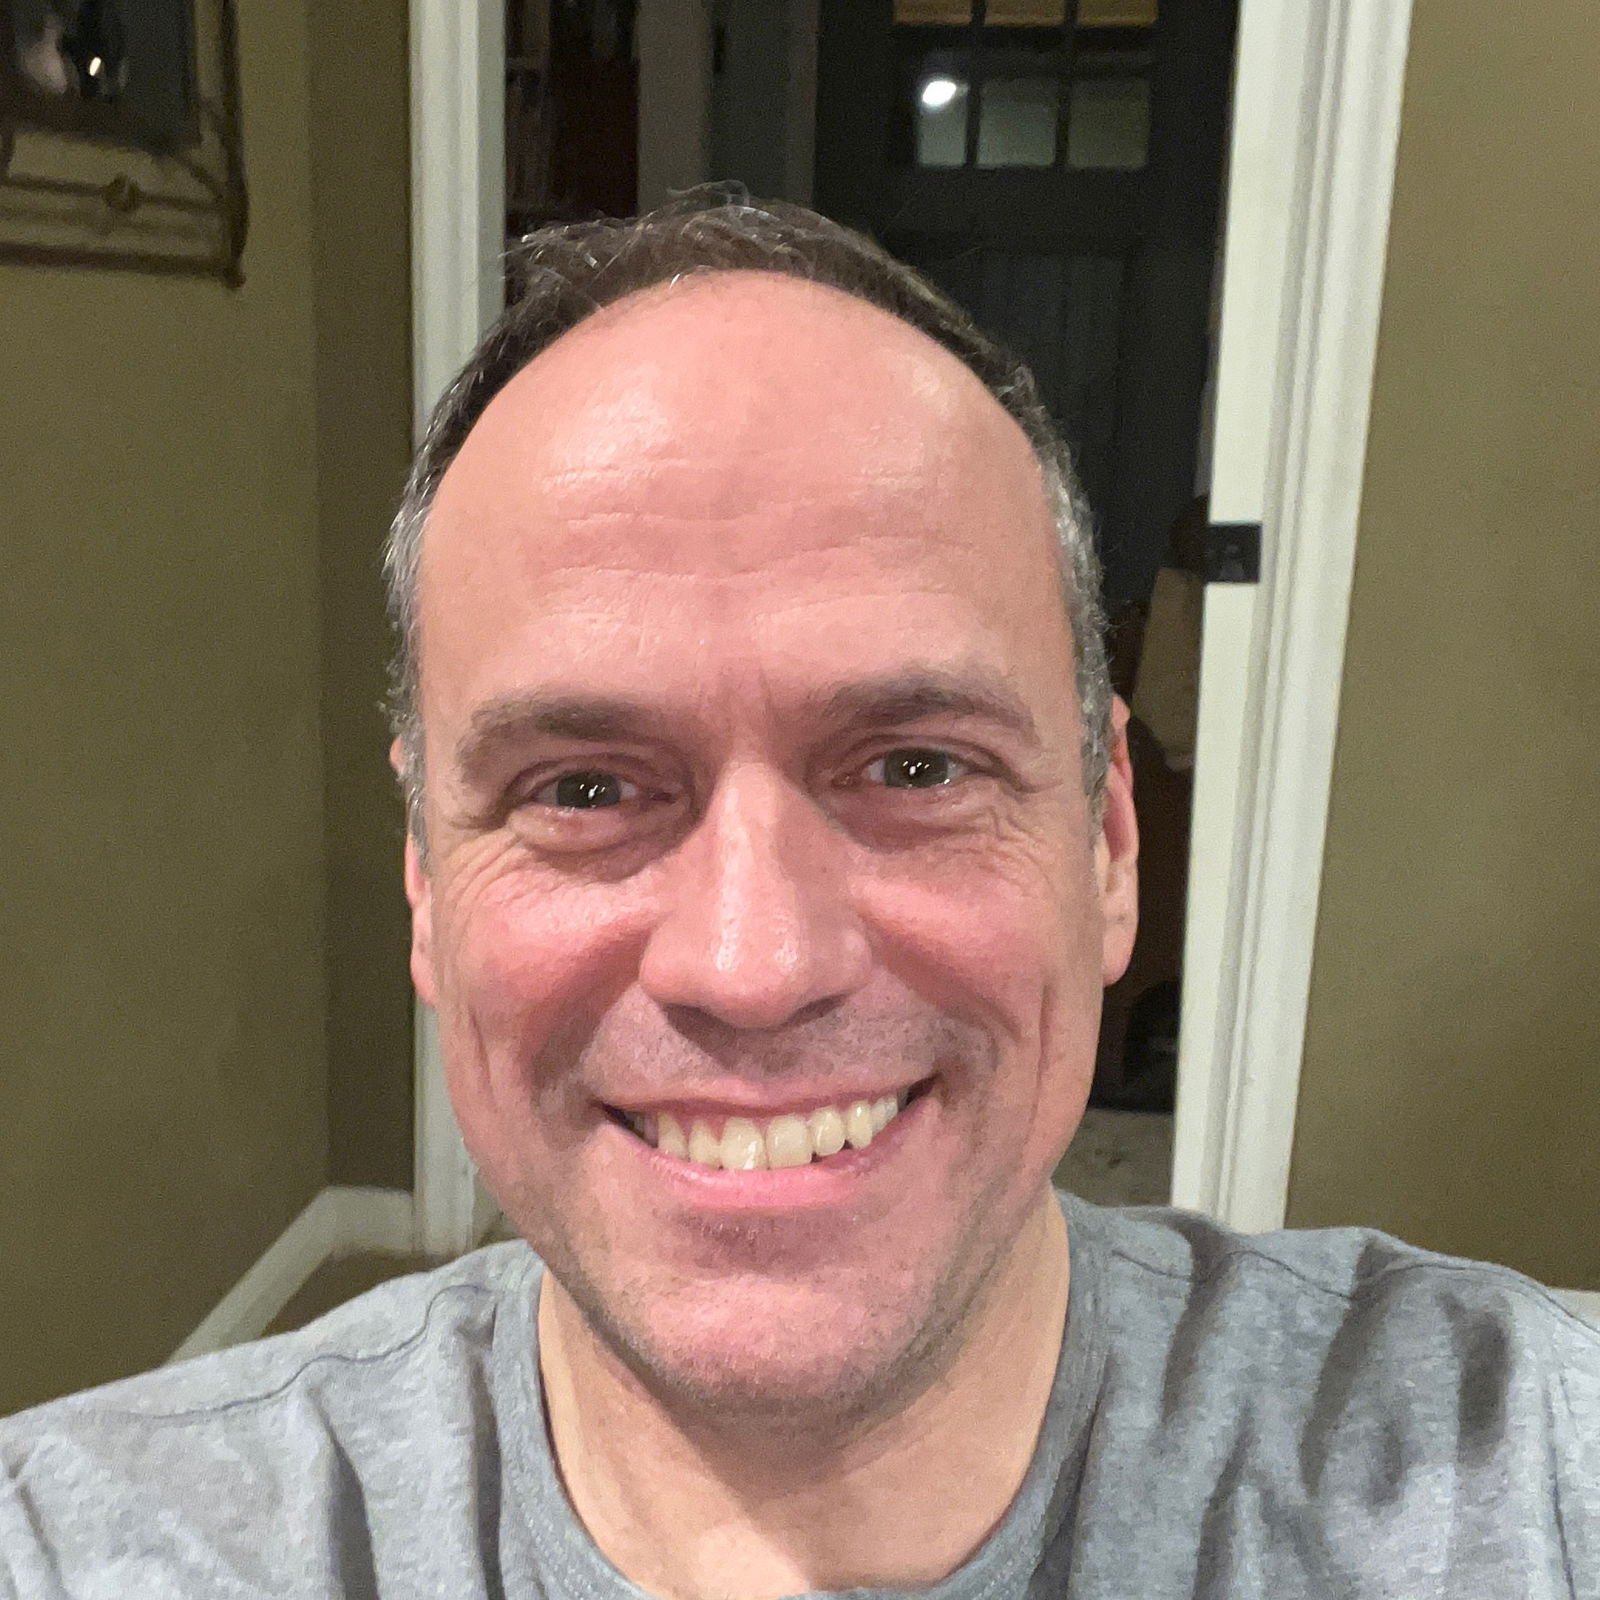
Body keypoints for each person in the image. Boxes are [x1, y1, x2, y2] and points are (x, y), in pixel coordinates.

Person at [2, 192, 1596, 1599]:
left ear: (1110, 842)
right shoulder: (86, 1544)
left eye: (914, 766)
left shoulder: (1529, 1474)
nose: (751, 964)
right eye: (584, 789)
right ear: (430, 881)